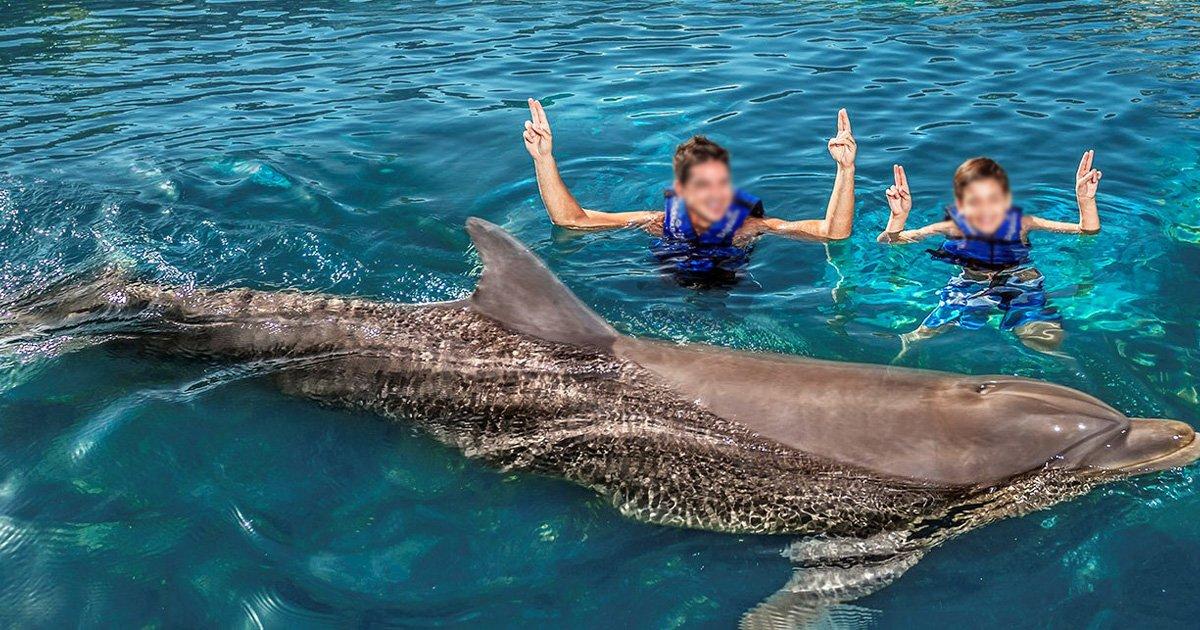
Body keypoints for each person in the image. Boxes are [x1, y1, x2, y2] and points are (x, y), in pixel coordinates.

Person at [520, 98, 857, 284]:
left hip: (731, 295)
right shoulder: (655, 222)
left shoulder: (749, 226)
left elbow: (833, 233)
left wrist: (845, 170)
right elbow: (571, 220)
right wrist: (544, 159)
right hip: (667, 296)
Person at [877, 153, 1102, 353]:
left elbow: (1086, 232)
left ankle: (1061, 366)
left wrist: (1086, 201)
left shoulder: (1023, 223)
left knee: (1044, 339)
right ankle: (907, 346)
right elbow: (889, 241)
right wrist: (898, 217)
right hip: (969, 282)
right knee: (925, 331)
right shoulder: (951, 228)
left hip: (1018, 279)